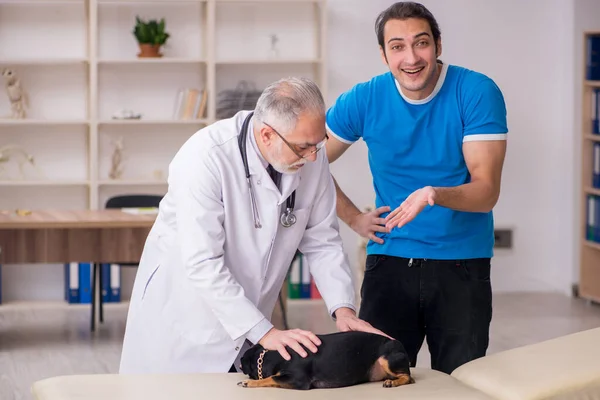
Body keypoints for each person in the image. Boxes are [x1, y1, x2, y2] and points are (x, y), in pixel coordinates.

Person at [119, 76, 386, 374]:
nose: (312, 157)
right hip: (183, 316)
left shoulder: (311, 154)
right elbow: (203, 262)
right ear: (267, 135)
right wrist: (266, 332)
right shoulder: (205, 158)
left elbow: (322, 240)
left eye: (317, 144)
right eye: (302, 148)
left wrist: (343, 308)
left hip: (248, 318)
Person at [325, 2, 508, 374]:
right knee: (377, 379)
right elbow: (306, 160)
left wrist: (435, 194)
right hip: (390, 260)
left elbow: (486, 190)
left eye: (421, 43)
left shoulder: (475, 92)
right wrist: (353, 217)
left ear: (438, 45)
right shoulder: (364, 99)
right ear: (383, 54)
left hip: (462, 263)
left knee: (461, 381)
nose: (411, 57)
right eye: (397, 46)